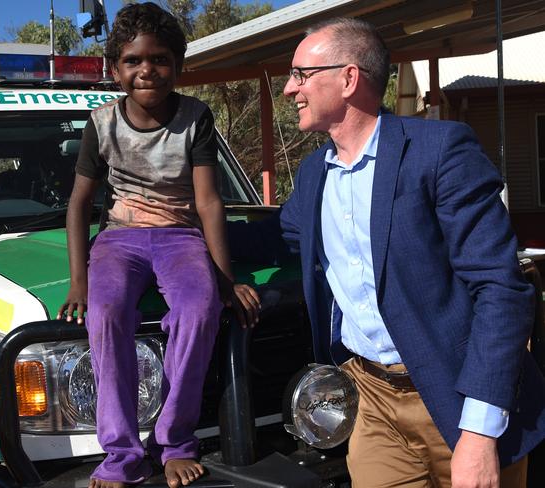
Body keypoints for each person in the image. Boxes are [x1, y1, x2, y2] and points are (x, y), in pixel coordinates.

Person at [229, 17, 545, 488]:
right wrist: (177, 230)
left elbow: (501, 289)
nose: (291, 89)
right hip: (370, 399)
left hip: (458, 396)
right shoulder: (316, 173)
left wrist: (479, 433)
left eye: (301, 75)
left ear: (349, 78)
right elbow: (271, 238)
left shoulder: (439, 152)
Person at [57, 4, 260, 488]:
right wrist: (79, 283)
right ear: (115, 69)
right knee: (105, 316)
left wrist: (224, 280)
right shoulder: (100, 123)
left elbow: (209, 203)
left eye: (160, 59)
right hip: (119, 239)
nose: (146, 70)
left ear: (178, 65)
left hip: (180, 235)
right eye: (133, 61)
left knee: (200, 309)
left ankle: (173, 441)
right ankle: (122, 454)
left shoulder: (196, 118)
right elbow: (79, 205)